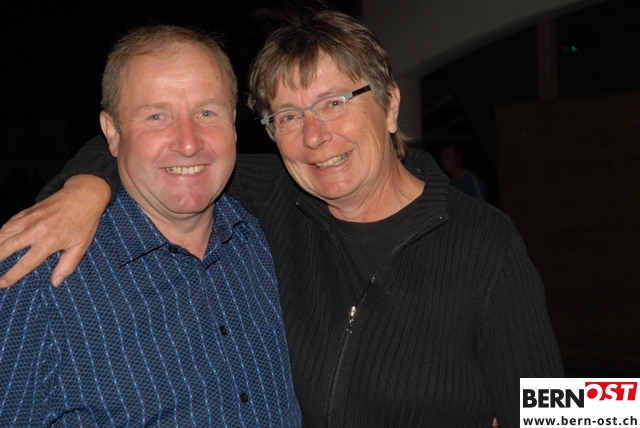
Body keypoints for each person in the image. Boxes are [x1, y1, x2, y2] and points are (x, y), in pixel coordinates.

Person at [0, 8, 563, 427]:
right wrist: (86, 187)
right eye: (289, 115)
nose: (315, 135)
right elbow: (168, 153)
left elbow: (568, 408)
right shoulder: (271, 200)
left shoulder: (483, 240)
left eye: (336, 102)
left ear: (390, 104)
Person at [0, 25, 301, 427]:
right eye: (157, 116)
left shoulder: (272, 232)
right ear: (112, 133)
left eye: (206, 113)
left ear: (232, 122)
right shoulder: (36, 277)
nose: (188, 142)